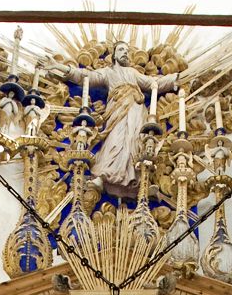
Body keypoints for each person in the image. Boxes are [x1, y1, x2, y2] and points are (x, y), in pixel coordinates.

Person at [48, 40, 183, 196]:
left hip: (136, 109)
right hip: (117, 110)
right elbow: (85, 76)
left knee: (133, 142)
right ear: (113, 55)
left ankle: (136, 180)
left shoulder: (133, 73)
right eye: (121, 50)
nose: (125, 52)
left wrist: (175, 78)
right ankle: (104, 175)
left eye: (126, 50)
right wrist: (59, 67)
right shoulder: (108, 72)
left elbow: (153, 83)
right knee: (115, 141)